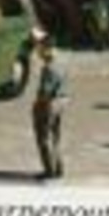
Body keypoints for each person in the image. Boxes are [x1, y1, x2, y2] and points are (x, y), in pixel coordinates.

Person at [31, 38, 67, 180]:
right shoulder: (61, 63)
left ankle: (49, 171)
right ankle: (59, 168)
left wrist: (36, 106)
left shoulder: (48, 68)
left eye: (40, 49)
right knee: (55, 137)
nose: (38, 52)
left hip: (49, 104)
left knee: (43, 138)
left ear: (46, 49)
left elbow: (45, 93)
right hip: (62, 101)